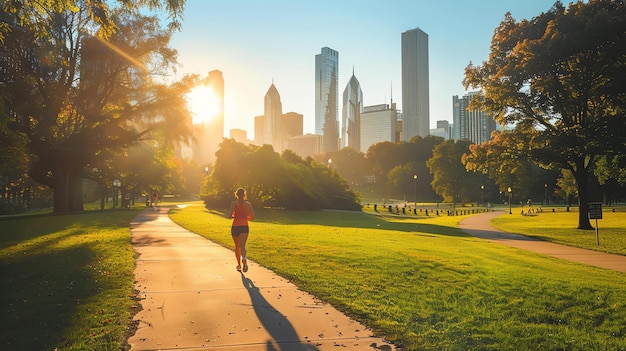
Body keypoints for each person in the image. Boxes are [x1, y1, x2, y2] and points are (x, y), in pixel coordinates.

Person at [228, 188, 255, 272]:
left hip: (235, 226)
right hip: (244, 226)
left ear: (236, 194)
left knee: (237, 247)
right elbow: (252, 217)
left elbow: (229, 216)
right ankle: (244, 258)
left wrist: (234, 216)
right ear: (244, 195)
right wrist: (245, 218)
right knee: (243, 246)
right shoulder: (248, 204)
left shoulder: (234, 204)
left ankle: (239, 265)